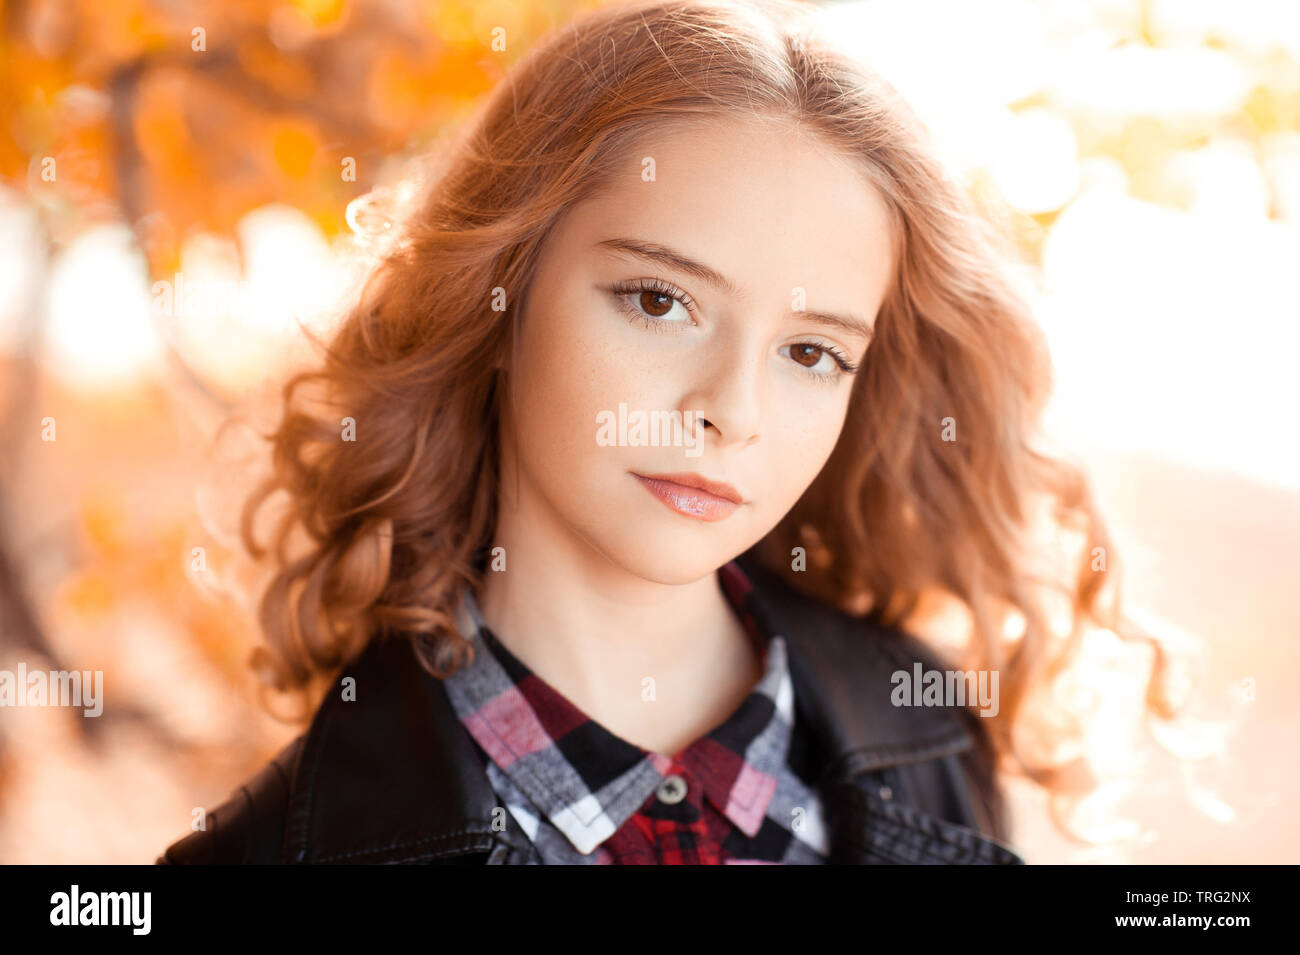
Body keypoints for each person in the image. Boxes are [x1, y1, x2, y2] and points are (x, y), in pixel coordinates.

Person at [158, 0, 1165, 865]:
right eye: (657, 298)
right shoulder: (268, 853)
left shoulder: (931, 738)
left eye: (811, 352)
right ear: (499, 293)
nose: (732, 410)